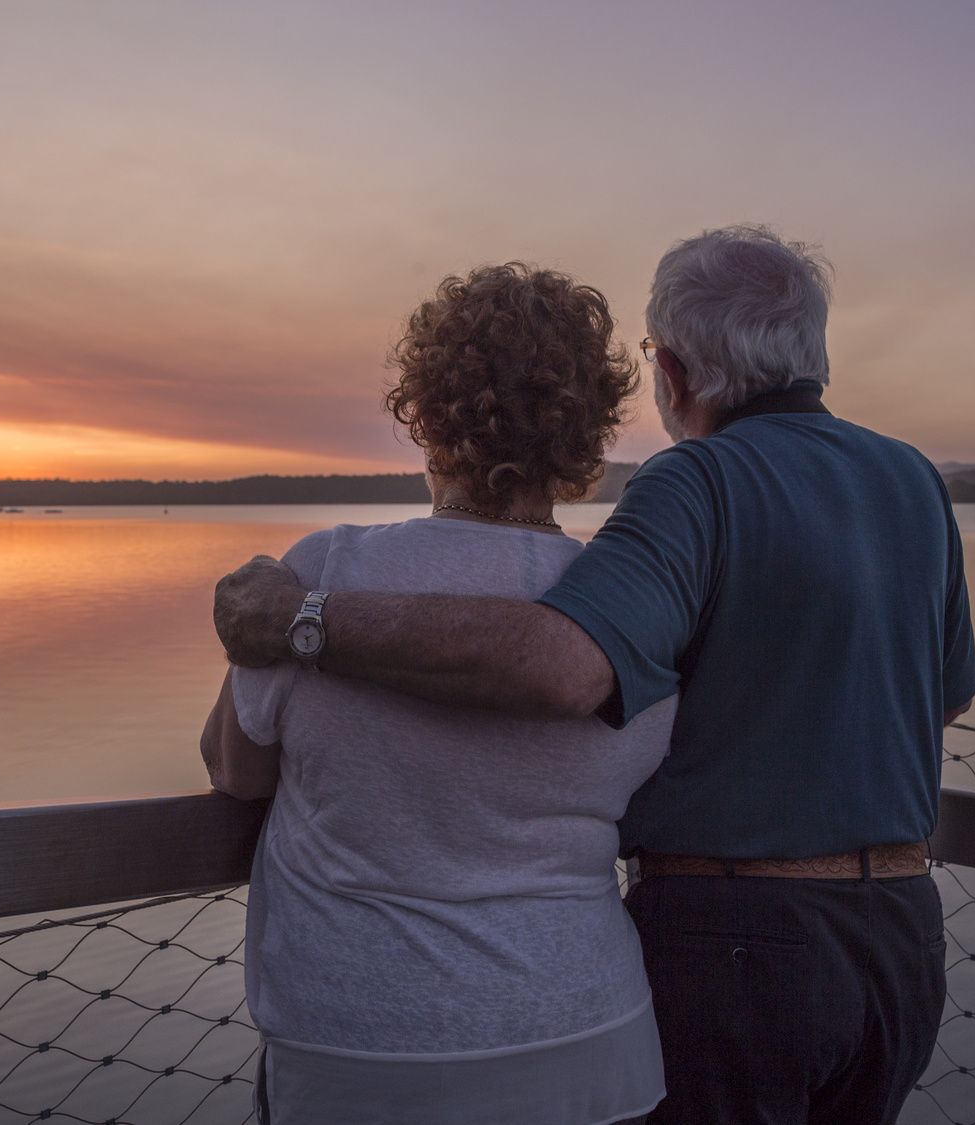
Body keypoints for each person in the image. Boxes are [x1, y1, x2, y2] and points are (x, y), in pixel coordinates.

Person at [214, 226, 975, 1125]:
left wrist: (301, 616)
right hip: (895, 940)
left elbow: (566, 666)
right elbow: (950, 690)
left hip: (733, 951)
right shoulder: (912, 479)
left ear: (676, 371)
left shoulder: (694, 481)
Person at [199, 263, 678, 1125]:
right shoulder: (624, 603)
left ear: (425, 408)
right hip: (590, 1040)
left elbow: (234, 771)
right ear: (588, 429)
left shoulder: (324, 570)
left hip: (363, 1046)